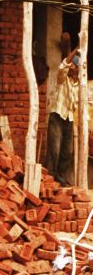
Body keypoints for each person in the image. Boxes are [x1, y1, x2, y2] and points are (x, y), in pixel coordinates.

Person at [45, 41, 80, 186]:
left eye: (75, 66)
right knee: (55, 148)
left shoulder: (79, 85)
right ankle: (51, 177)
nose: (72, 68)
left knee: (68, 151)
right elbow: (62, 66)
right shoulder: (62, 78)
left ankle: (61, 177)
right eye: (72, 66)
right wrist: (76, 49)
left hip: (69, 119)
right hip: (57, 116)